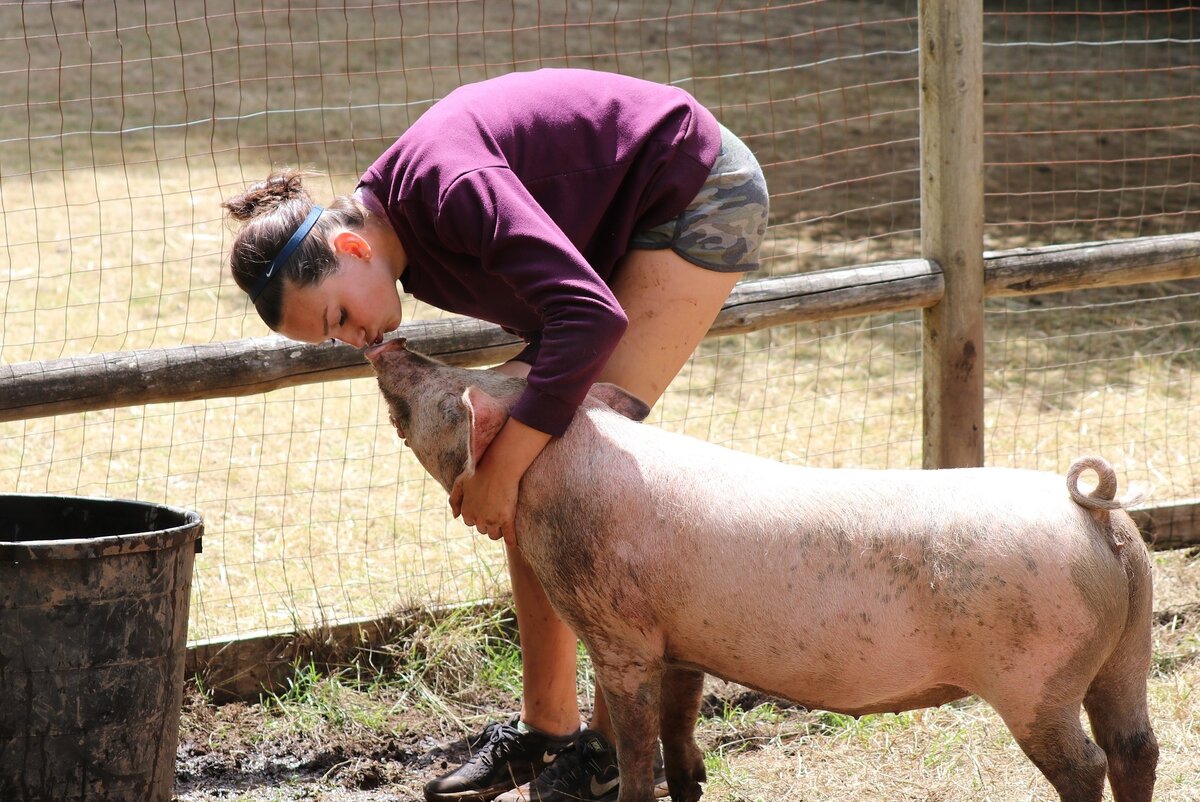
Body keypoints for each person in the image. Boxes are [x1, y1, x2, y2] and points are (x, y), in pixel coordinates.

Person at [224, 67, 768, 802]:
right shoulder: (400, 246)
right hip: (614, 234)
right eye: (339, 339)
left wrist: (502, 473)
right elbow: (564, 306)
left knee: (568, 460)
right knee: (513, 444)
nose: (357, 341)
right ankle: (547, 728)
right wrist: (501, 458)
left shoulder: (450, 190)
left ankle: (608, 752)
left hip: (696, 188)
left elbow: (589, 318)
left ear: (351, 251)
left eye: (340, 320)